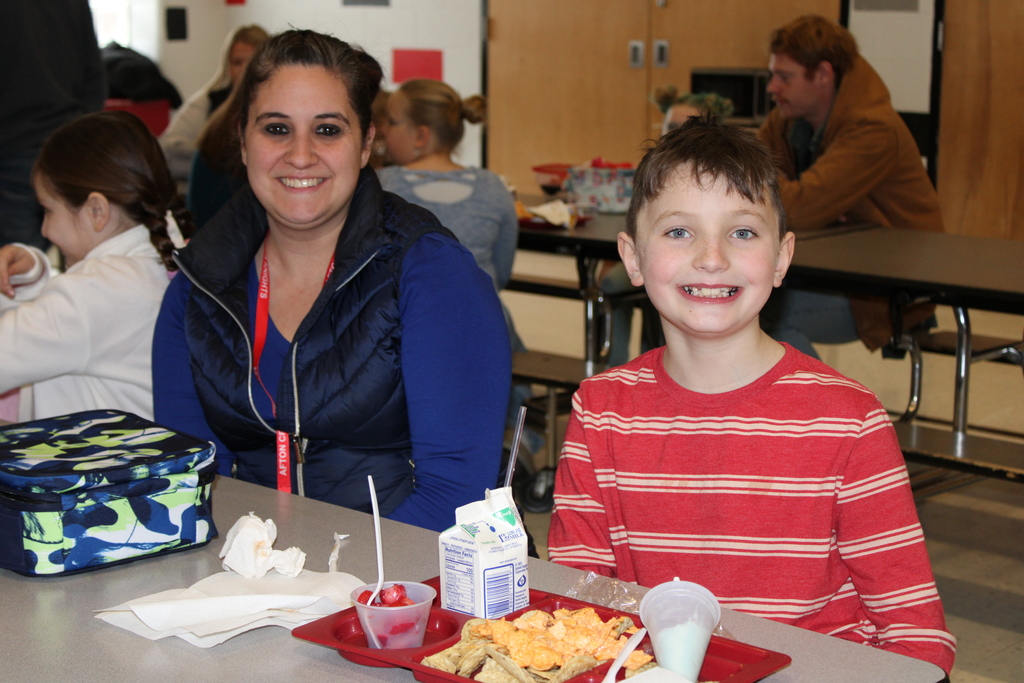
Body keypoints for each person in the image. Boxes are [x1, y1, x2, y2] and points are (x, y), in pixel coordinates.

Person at [547, 114, 955, 674]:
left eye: (742, 232)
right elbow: (579, 606)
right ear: (633, 258)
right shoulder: (600, 411)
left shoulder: (848, 420)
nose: (711, 257)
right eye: (678, 231)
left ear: (782, 257)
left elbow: (913, 631)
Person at [152, 31, 511, 534]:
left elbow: (455, 501)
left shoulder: (432, 275)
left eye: (327, 130)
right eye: (276, 128)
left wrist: (330, 590)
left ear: (366, 144)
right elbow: (185, 487)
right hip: (247, 582)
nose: (300, 155)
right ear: (243, 138)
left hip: (402, 585)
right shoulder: (198, 288)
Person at [757, 15, 943, 357]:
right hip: (829, 272)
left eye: (785, 77)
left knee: (755, 316)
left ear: (824, 75)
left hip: (886, 291)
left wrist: (804, 202)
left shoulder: (873, 129)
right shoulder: (787, 119)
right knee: (678, 301)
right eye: (773, 75)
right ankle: (660, 408)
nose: (772, 87)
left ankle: (822, 410)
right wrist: (804, 200)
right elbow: (750, 173)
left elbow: (799, 208)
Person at [377, 79, 537, 453]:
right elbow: (502, 269)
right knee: (511, 335)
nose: (383, 129)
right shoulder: (493, 186)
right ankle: (518, 433)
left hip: (402, 323)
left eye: (391, 121)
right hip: (483, 323)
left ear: (420, 134)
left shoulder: (382, 186)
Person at [0, 111, 192, 421]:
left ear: (96, 210)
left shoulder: (95, 291)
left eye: (48, 211)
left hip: (99, 466)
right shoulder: (164, 255)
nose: (45, 230)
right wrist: (33, 279)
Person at [601, 90, 735, 368]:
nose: (672, 135)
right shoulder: (653, 170)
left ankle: (658, 355)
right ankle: (615, 365)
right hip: (657, 258)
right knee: (613, 281)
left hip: (686, 266)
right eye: (668, 127)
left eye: (682, 127)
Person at [0, 0, 105, 250]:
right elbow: (95, 76)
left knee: (17, 267)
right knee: (77, 260)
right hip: (66, 146)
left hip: (16, 147)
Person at [160, 25, 269, 185]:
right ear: (227, 66)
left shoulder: (280, 105)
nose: (244, 71)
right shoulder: (208, 101)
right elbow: (168, 151)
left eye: (251, 62)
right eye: (237, 63)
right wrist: (212, 162)